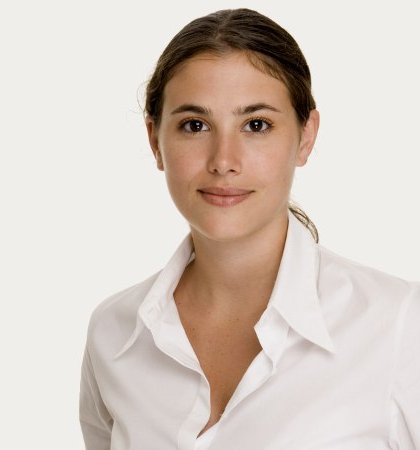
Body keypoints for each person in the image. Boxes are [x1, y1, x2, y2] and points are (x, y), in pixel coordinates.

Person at [79, 8, 419, 450]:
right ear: (154, 140)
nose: (224, 160)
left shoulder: (400, 325)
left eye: (256, 125)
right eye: (194, 125)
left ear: (306, 136)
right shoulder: (115, 333)